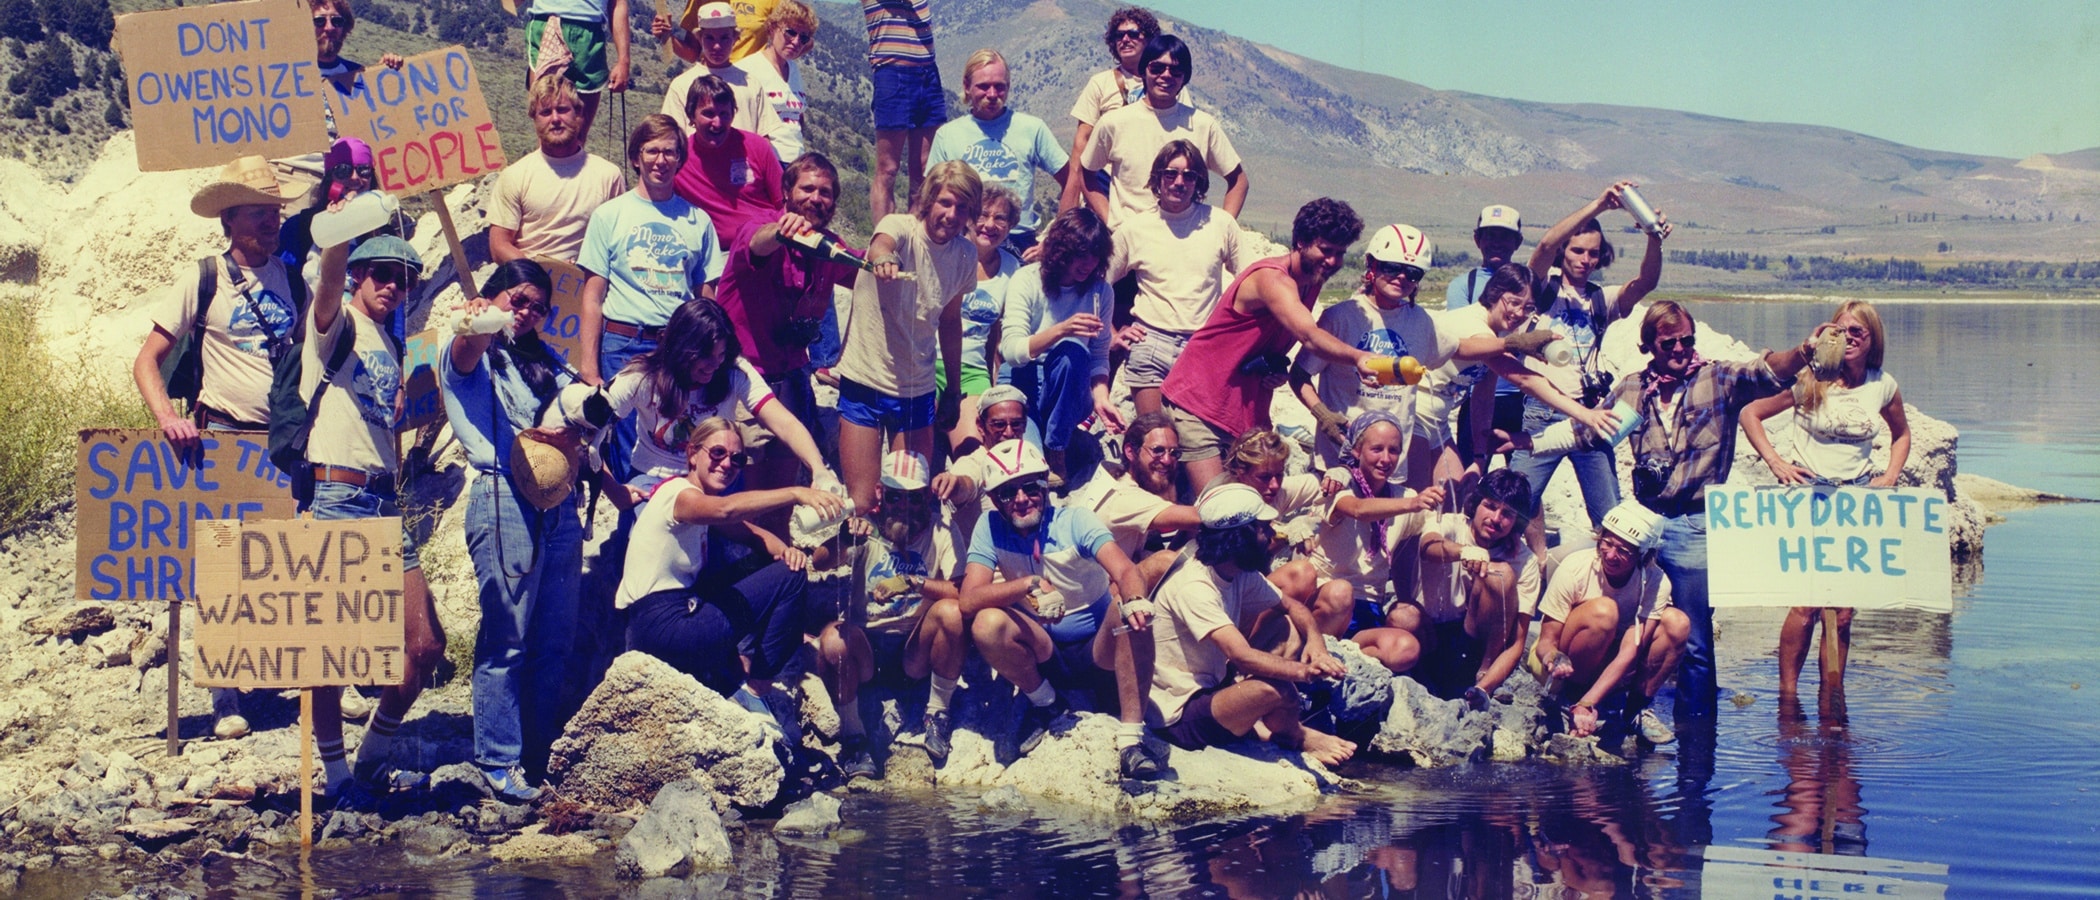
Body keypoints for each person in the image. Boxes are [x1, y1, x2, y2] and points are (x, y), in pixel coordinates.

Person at [1504, 299, 1831, 720]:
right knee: (1635, 623)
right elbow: (1589, 432)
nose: (1679, 349)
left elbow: (1766, 371)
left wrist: (1804, 352)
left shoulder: (1718, 379)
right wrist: (1530, 443)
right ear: (1648, 346)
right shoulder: (1634, 390)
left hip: (1697, 522)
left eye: (1686, 341)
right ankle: (1623, 704)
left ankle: (1697, 740)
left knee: (1694, 634)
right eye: (1668, 343)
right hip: (1646, 520)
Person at [132, 156, 306, 741]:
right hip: (226, 440)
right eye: (258, 215)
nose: (269, 224)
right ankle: (225, 695)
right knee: (223, 568)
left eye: (274, 214)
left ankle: (288, 679)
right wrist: (166, 418)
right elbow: (147, 359)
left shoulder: (293, 278)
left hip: (281, 446)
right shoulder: (203, 277)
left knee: (282, 565)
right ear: (230, 219)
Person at [439, 260, 592, 800]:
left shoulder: (548, 360)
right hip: (503, 491)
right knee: (508, 634)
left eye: (536, 306)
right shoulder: (473, 343)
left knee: (554, 635)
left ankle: (538, 753)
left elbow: (586, 408)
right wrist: (482, 319)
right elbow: (463, 355)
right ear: (495, 295)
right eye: (516, 300)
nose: (524, 313)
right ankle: (498, 759)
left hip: (556, 499)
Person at [617, 417, 859, 753]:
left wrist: (787, 552)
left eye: (737, 459)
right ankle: (756, 688)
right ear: (692, 454)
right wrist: (795, 493)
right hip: (666, 626)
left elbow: (753, 533)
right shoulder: (678, 494)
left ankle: (735, 670)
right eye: (717, 453)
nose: (727, 464)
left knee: (774, 564)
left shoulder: (697, 501)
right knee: (791, 578)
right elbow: (728, 509)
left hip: (661, 626)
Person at [300, 235, 445, 795]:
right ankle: (336, 775)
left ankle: (373, 753)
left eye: (403, 278)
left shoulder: (392, 341)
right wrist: (339, 234)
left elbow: (387, 422)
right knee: (333, 650)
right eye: (381, 273)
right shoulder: (336, 326)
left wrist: (419, 403)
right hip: (337, 496)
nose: (392, 285)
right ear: (359, 275)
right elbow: (328, 283)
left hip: (385, 498)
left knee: (426, 643)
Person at [1740, 299, 1910, 697]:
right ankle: (1788, 696)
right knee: (1806, 605)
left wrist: (1890, 475)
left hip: (1856, 501)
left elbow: (1901, 435)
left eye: (1857, 332)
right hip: (1809, 497)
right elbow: (1751, 414)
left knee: (1845, 610)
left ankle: (1832, 695)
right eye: (1840, 331)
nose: (1848, 339)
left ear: (1872, 340)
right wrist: (1776, 462)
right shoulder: (1810, 380)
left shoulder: (1882, 385)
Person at [1159, 197, 1376, 489]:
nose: (1333, 261)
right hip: (1201, 404)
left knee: (1250, 508)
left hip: (1245, 413)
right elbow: (1309, 336)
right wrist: (1358, 357)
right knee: (1218, 511)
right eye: (1326, 250)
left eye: (1340, 253)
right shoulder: (1272, 279)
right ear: (1300, 241)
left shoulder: (1312, 279)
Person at [958, 439, 1151, 757]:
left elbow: (1126, 570)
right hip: (1043, 650)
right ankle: (1046, 703)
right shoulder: (989, 527)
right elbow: (968, 600)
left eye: (1031, 488)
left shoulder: (1076, 520)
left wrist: (1135, 599)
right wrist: (1028, 584)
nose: (1021, 500)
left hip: (1096, 648)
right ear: (994, 499)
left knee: (1128, 611)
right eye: (1008, 493)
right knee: (986, 623)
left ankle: (1132, 739)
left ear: (1045, 487)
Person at [1145, 482, 1356, 767]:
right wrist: (1304, 672)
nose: (1271, 535)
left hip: (1213, 684)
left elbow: (1292, 606)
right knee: (1277, 691)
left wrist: (1317, 645)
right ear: (1238, 537)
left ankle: (1267, 727)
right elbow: (1241, 655)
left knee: (1290, 628)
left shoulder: (1234, 567)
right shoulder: (1195, 585)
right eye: (1262, 528)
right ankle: (1295, 735)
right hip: (1178, 714)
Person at [1511, 181, 1671, 540]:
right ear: (1564, 253)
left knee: (1611, 521)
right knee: (1512, 507)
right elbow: (1545, 244)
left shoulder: (1602, 299)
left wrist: (1653, 237)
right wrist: (1600, 205)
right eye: (1578, 251)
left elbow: (1645, 283)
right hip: (1542, 413)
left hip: (1590, 416)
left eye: (1593, 254)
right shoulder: (1539, 290)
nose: (1585, 260)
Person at [574, 115, 727, 484]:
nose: (661, 160)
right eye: (652, 150)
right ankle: (630, 535)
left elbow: (708, 300)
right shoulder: (609, 215)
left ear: (680, 158)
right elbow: (592, 298)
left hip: (676, 350)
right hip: (621, 345)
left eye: (670, 152)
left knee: (671, 445)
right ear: (636, 157)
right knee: (625, 452)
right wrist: (590, 367)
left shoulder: (698, 221)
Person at [832, 161, 981, 516]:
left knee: (910, 499)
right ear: (929, 199)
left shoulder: (964, 254)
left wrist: (954, 391)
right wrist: (883, 259)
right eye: (945, 202)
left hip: (917, 387)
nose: (951, 214)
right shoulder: (899, 226)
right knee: (864, 503)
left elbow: (949, 319)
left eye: (962, 207)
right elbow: (882, 244)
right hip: (865, 380)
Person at [714, 152, 863, 489]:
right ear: (785, 192)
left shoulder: (829, 246)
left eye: (825, 192)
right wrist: (781, 233)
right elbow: (757, 243)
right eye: (807, 189)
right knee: (741, 487)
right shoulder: (761, 227)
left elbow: (864, 272)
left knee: (785, 487)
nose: (815, 198)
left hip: (793, 378)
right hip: (745, 379)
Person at [603, 298, 834, 493]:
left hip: (716, 478)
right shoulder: (642, 376)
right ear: (680, 348)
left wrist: (819, 468)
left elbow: (784, 423)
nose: (714, 365)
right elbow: (585, 431)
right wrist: (616, 494)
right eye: (704, 356)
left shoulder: (734, 371)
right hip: (654, 477)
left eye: (721, 355)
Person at [834, 450, 969, 769]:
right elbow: (823, 561)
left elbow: (962, 592)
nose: (905, 507)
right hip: (867, 646)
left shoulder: (942, 530)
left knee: (951, 612)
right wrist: (843, 537)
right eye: (896, 498)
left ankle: (937, 712)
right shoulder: (863, 526)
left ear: (927, 497)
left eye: (914, 498)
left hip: (914, 649)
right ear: (881, 493)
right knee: (832, 639)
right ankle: (854, 738)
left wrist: (914, 582)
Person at [1291, 224, 1457, 473]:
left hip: (1391, 469)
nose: (1401, 277)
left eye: (1412, 273)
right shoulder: (1341, 317)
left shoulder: (1422, 321)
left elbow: (1459, 348)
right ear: (1372, 264)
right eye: (1391, 267)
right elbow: (1299, 374)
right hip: (1338, 464)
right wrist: (1322, 415)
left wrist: (1508, 344)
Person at [1105, 140, 1251, 416]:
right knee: (1155, 436)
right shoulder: (1134, 229)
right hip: (1149, 342)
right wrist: (1112, 333)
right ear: (1157, 179)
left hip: (1202, 345)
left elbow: (1250, 281)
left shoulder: (1221, 224)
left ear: (1199, 183)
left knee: (1194, 441)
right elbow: (1098, 285)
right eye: (1170, 173)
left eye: (1189, 175)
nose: (1179, 182)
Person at [1528, 502, 1688, 745]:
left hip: (1612, 657)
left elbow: (1631, 651)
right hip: (1565, 658)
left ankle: (1635, 709)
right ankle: (1572, 698)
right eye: (1607, 544)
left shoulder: (1655, 580)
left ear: (1642, 556)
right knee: (1606, 610)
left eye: (1623, 551)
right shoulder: (1576, 567)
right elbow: (1546, 640)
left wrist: (1589, 702)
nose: (1611, 556)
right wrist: (1554, 659)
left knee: (1677, 623)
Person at [1299, 412, 1445, 669]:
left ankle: (1345, 663)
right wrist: (1412, 504)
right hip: (1328, 601)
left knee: (1406, 648)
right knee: (1341, 593)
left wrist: (1464, 552)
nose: (1386, 459)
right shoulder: (1338, 486)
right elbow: (1358, 509)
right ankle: (1309, 653)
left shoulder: (1403, 496)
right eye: (1376, 449)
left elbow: (1430, 539)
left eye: (1394, 450)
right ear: (1356, 451)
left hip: (1368, 608)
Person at [997, 207, 1121, 483]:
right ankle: (1046, 441)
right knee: (1030, 473)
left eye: (1095, 255)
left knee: (1074, 351)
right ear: (1061, 250)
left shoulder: (1101, 292)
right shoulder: (1026, 280)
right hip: (1024, 381)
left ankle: (1057, 447)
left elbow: (1099, 355)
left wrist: (1101, 397)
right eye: (1081, 253)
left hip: (1069, 383)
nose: (1088, 263)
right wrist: (1062, 329)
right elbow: (1012, 351)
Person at [1075, 34, 1247, 229]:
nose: (1166, 75)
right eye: (1157, 68)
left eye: (1175, 70)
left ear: (1185, 77)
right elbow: (1086, 172)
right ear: (1143, 72)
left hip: (1187, 242)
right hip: (1131, 244)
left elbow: (1238, 181)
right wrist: (1112, 221)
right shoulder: (1113, 123)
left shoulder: (1203, 125)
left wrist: (1222, 230)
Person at [1402, 469, 1541, 708]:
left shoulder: (1525, 560)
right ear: (1476, 504)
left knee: (1501, 574)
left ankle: (1481, 674)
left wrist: (1484, 688)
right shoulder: (1449, 523)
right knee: (1401, 615)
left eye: (1507, 514)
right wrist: (1465, 552)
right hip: (1431, 633)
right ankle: (1422, 680)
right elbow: (1429, 547)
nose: (1496, 519)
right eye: (1490, 506)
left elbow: (1518, 640)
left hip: (1474, 645)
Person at [928, 49, 1070, 255]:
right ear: (967, 87)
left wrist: (1055, 238)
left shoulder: (1032, 128)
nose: (992, 94)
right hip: (963, 240)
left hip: (1020, 242)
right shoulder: (947, 135)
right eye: (983, 86)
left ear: (1008, 87)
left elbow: (1072, 178)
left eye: (999, 87)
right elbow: (931, 197)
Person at [485, 75, 627, 265]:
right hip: (528, 283)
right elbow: (499, 245)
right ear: (534, 119)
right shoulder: (515, 176)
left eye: (562, 110)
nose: (555, 119)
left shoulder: (608, 176)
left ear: (579, 115)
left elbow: (618, 240)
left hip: (585, 284)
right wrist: (542, 273)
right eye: (545, 112)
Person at [1446, 205, 1526, 466]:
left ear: (1517, 242)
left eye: (1504, 236)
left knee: (1524, 485)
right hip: (1476, 396)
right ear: (1477, 239)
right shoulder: (1462, 285)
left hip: (1519, 397)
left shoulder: (1529, 285)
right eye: (1490, 235)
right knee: (1472, 471)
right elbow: (1467, 342)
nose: (1496, 243)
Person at [945, 185, 1022, 453]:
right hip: (927, 363)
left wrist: (994, 386)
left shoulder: (1012, 268)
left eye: (1000, 218)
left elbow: (999, 337)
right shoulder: (946, 251)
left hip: (972, 371)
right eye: (983, 215)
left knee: (974, 453)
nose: (990, 225)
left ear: (1011, 225)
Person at [673, 74, 787, 254]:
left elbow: (785, 203)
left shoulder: (756, 146)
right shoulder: (679, 160)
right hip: (719, 254)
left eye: (724, 114)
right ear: (690, 115)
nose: (717, 123)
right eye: (708, 114)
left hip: (769, 245)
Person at [1060, 7, 1159, 213]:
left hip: (1153, 182)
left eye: (1133, 34)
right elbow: (1082, 142)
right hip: (1107, 182)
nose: (1125, 39)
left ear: (1149, 39)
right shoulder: (1100, 83)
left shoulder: (1166, 82)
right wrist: (1072, 196)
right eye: (1118, 35)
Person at [656, 2, 791, 143]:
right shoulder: (681, 85)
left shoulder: (751, 84)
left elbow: (764, 139)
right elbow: (670, 137)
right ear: (699, 38)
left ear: (735, 39)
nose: (717, 46)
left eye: (724, 38)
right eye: (709, 38)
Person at [861, 0, 945, 223]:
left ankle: (914, 238)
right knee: (887, 169)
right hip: (891, 70)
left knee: (925, 168)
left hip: (928, 71)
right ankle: (883, 242)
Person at [522, 0, 632, 133]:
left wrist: (623, 61)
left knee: (579, 130)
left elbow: (618, 4)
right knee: (546, 128)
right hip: (548, 22)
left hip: (589, 30)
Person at [733, 0, 817, 163]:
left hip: (795, 163)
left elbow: (797, 120)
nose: (796, 41)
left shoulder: (795, 71)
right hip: (763, 162)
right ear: (772, 28)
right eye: (790, 32)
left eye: (803, 38)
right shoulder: (747, 70)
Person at [306, 0, 403, 136]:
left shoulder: (357, 74)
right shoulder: (285, 78)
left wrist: (384, 75)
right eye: (319, 21)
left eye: (337, 21)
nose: (329, 28)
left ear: (344, 28)